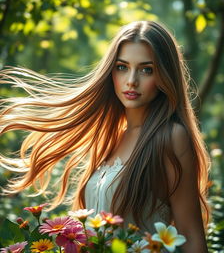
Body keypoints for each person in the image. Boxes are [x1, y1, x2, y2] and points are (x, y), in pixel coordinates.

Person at [0, 21, 210, 252]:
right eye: (122, 67)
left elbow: (191, 236)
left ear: (164, 76)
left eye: (146, 69)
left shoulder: (171, 137)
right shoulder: (111, 139)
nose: (131, 80)